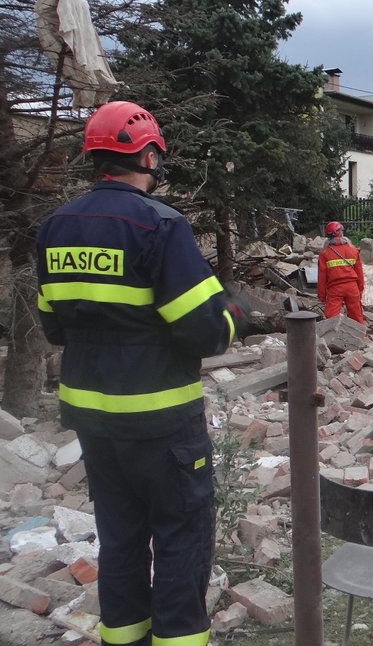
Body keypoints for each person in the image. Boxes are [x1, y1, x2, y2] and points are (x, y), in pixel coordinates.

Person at [35, 100, 249, 646]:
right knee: (181, 533)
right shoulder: (160, 225)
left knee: (120, 534)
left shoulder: (56, 227)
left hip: (94, 418)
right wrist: (234, 318)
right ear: (149, 154)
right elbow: (203, 330)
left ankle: (123, 637)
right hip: (161, 417)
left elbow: (54, 327)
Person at [317, 220, 365, 324]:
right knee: (356, 316)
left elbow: (322, 277)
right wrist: (360, 289)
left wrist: (322, 296)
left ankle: (330, 338)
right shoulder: (353, 250)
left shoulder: (324, 253)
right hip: (352, 287)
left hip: (334, 289)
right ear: (341, 232)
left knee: (331, 318)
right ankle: (362, 338)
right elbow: (359, 273)